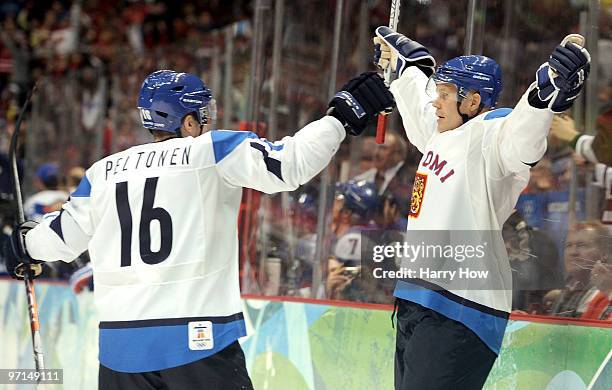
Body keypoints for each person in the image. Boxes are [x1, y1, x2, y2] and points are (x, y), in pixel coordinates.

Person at [3, 69, 394, 389]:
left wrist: (23, 244)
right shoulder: (211, 150)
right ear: (187, 121)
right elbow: (288, 165)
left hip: (121, 353)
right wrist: (341, 117)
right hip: (196, 341)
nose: (210, 119)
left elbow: (60, 238)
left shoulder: (103, 171)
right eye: (204, 112)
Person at [374, 27, 591, 389]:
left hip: (461, 309)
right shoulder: (439, 133)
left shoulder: (492, 134)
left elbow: (522, 136)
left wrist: (545, 93)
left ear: (473, 102)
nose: (435, 102)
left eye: (445, 94)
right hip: (416, 300)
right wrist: (401, 68)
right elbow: (416, 99)